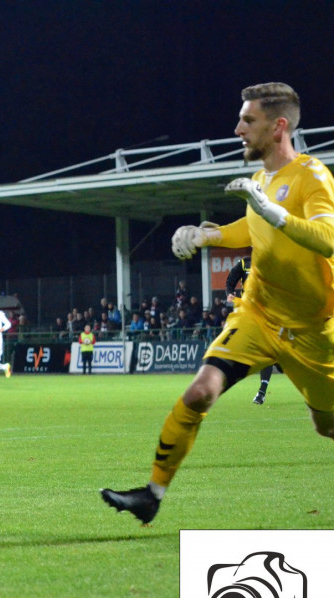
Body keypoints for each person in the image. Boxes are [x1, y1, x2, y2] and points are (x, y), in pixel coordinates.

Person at [102, 82, 334, 524]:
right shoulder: (263, 180)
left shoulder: (313, 176)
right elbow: (254, 230)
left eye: (249, 120)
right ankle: (152, 494)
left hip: (311, 331)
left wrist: (273, 212)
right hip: (258, 315)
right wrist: (206, 235)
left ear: (278, 125)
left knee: (327, 426)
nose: (238, 128)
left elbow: (328, 238)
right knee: (198, 393)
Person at [226, 255, 277, 404]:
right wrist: (229, 293)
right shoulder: (244, 263)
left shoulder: (272, 263)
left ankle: (261, 392)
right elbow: (230, 281)